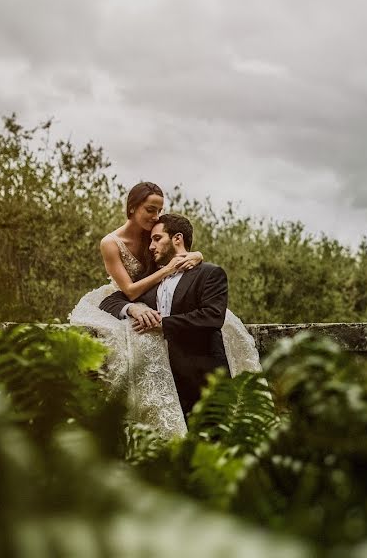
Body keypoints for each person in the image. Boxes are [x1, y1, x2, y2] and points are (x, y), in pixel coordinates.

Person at [68, 183, 260, 436]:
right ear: (133, 207)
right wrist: (138, 302)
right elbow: (130, 291)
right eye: (150, 209)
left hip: (186, 343)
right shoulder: (113, 243)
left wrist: (196, 255)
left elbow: (179, 247)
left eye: (159, 210)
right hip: (135, 293)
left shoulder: (162, 240)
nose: (155, 216)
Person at [100, 214, 232, 416]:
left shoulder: (210, 273)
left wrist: (162, 323)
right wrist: (134, 308)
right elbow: (109, 301)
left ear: (177, 239)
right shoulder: (149, 278)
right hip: (163, 385)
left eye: (157, 238)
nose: (151, 246)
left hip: (203, 379)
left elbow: (212, 316)